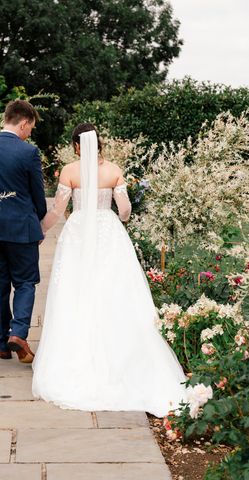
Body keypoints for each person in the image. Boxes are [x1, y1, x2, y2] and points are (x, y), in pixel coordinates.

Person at [32, 124, 187, 417]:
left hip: (78, 231)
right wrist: (115, 216)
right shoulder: (114, 170)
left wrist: (39, 232)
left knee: (75, 291)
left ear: (77, 146)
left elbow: (57, 211)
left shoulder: (69, 171)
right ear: (99, 143)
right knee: (114, 289)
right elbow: (125, 210)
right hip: (108, 232)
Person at [0, 100, 46, 364]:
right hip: (21, 229)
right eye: (31, 128)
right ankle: (19, 333)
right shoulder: (28, 153)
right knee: (25, 282)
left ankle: (2, 343)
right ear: (23, 123)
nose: (30, 134)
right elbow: (38, 195)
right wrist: (38, 221)